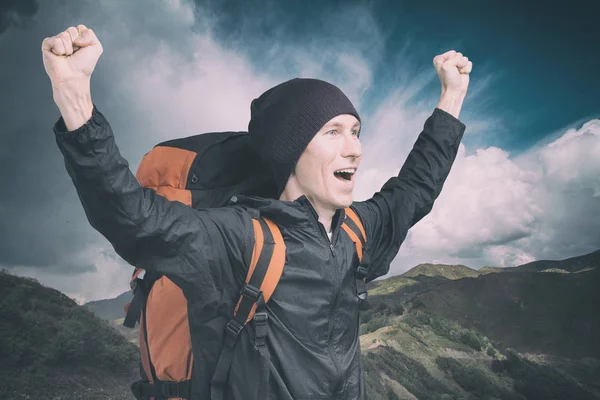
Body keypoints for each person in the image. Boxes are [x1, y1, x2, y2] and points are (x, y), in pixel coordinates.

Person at [42, 24, 471, 400]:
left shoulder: (358, 231)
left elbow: (416, 188)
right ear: (290, 151)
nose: (354, 148)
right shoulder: (238, 239)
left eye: (356, 131)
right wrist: (76, 100)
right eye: (333, 132)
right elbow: (134, 218)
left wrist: (451, 97)